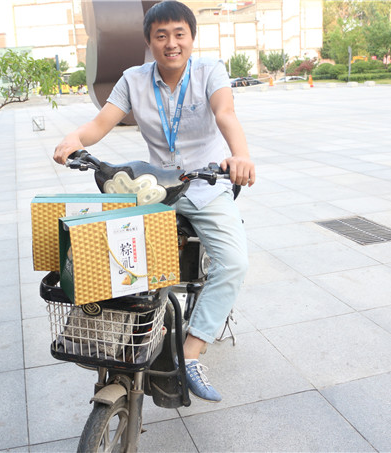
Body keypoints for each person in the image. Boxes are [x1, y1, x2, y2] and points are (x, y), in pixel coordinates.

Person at [54, 0, 254, 402]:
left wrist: (240, 155)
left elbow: (225, 113)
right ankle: (124, 329)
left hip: (204, 185)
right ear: (149, 42)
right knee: (116, 256)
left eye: (179, 34)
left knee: (234, 262)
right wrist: (74, 138)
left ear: (192, 37)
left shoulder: (210, 71)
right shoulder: (133, 79)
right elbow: (101, 123)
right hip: (154, 188)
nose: (171, 43)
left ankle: (190, 352)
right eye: (161, 36)